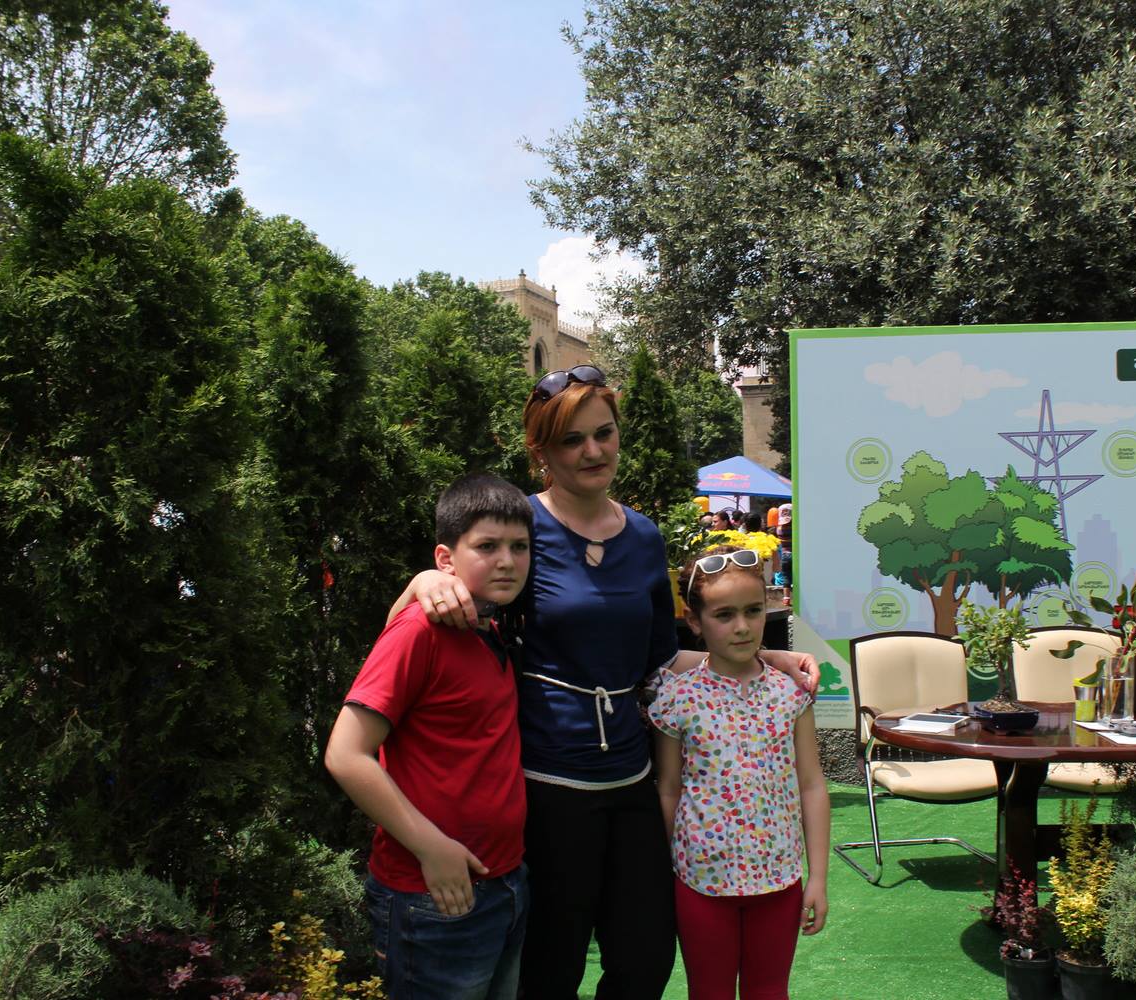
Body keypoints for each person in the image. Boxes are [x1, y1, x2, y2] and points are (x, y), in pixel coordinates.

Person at [389, 364, 818, 1000]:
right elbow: (435, 605)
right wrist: (425, 580)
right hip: (546, 784)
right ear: (542, 452)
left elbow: (660, 659)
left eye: (603, 433)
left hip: (631, 777)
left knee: (645, 961)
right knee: (552, 968)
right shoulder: (520, 532)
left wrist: (763, 659)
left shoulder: (642, 536)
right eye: (572, 440)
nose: (593, 451)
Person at [326, 473, 533, 1000]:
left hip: (504, 883)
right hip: (432, 894)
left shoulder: (490, 628)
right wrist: (432, 847)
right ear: (446, 558)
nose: (507, 561)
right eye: (487, 546)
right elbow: (346, 754)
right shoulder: (421, 630)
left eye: (519, 546)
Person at [651, 544, 830, 999]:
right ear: (694, 621)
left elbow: (812, 785)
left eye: (753, 610)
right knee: (708, 991)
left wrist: (818, 877)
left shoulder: (791, 693)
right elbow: (668, 788)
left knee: (769, 991)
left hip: (779, 878)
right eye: (724, 615)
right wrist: (677, 864)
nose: (742, 626)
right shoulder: (677, 697)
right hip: (701, 882)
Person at [773, 503, 794, 606]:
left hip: (785, 555)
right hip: (795, 555)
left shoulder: (779, 529)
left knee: (786, 577)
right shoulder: (794, 528)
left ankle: (786, 598)